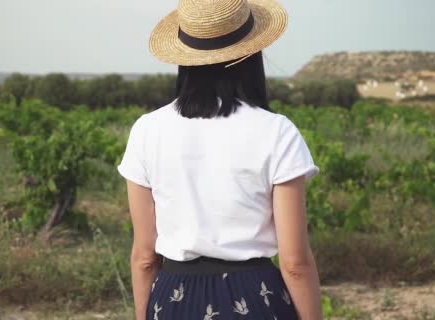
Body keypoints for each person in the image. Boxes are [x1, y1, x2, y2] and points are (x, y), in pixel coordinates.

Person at [117, 0, 323, 319]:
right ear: (249, 54)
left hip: (174, 297)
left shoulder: (147, 131)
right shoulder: (277, 131)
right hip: (256, 297)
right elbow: (295, 264)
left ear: (184, 56)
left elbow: (144, 257)